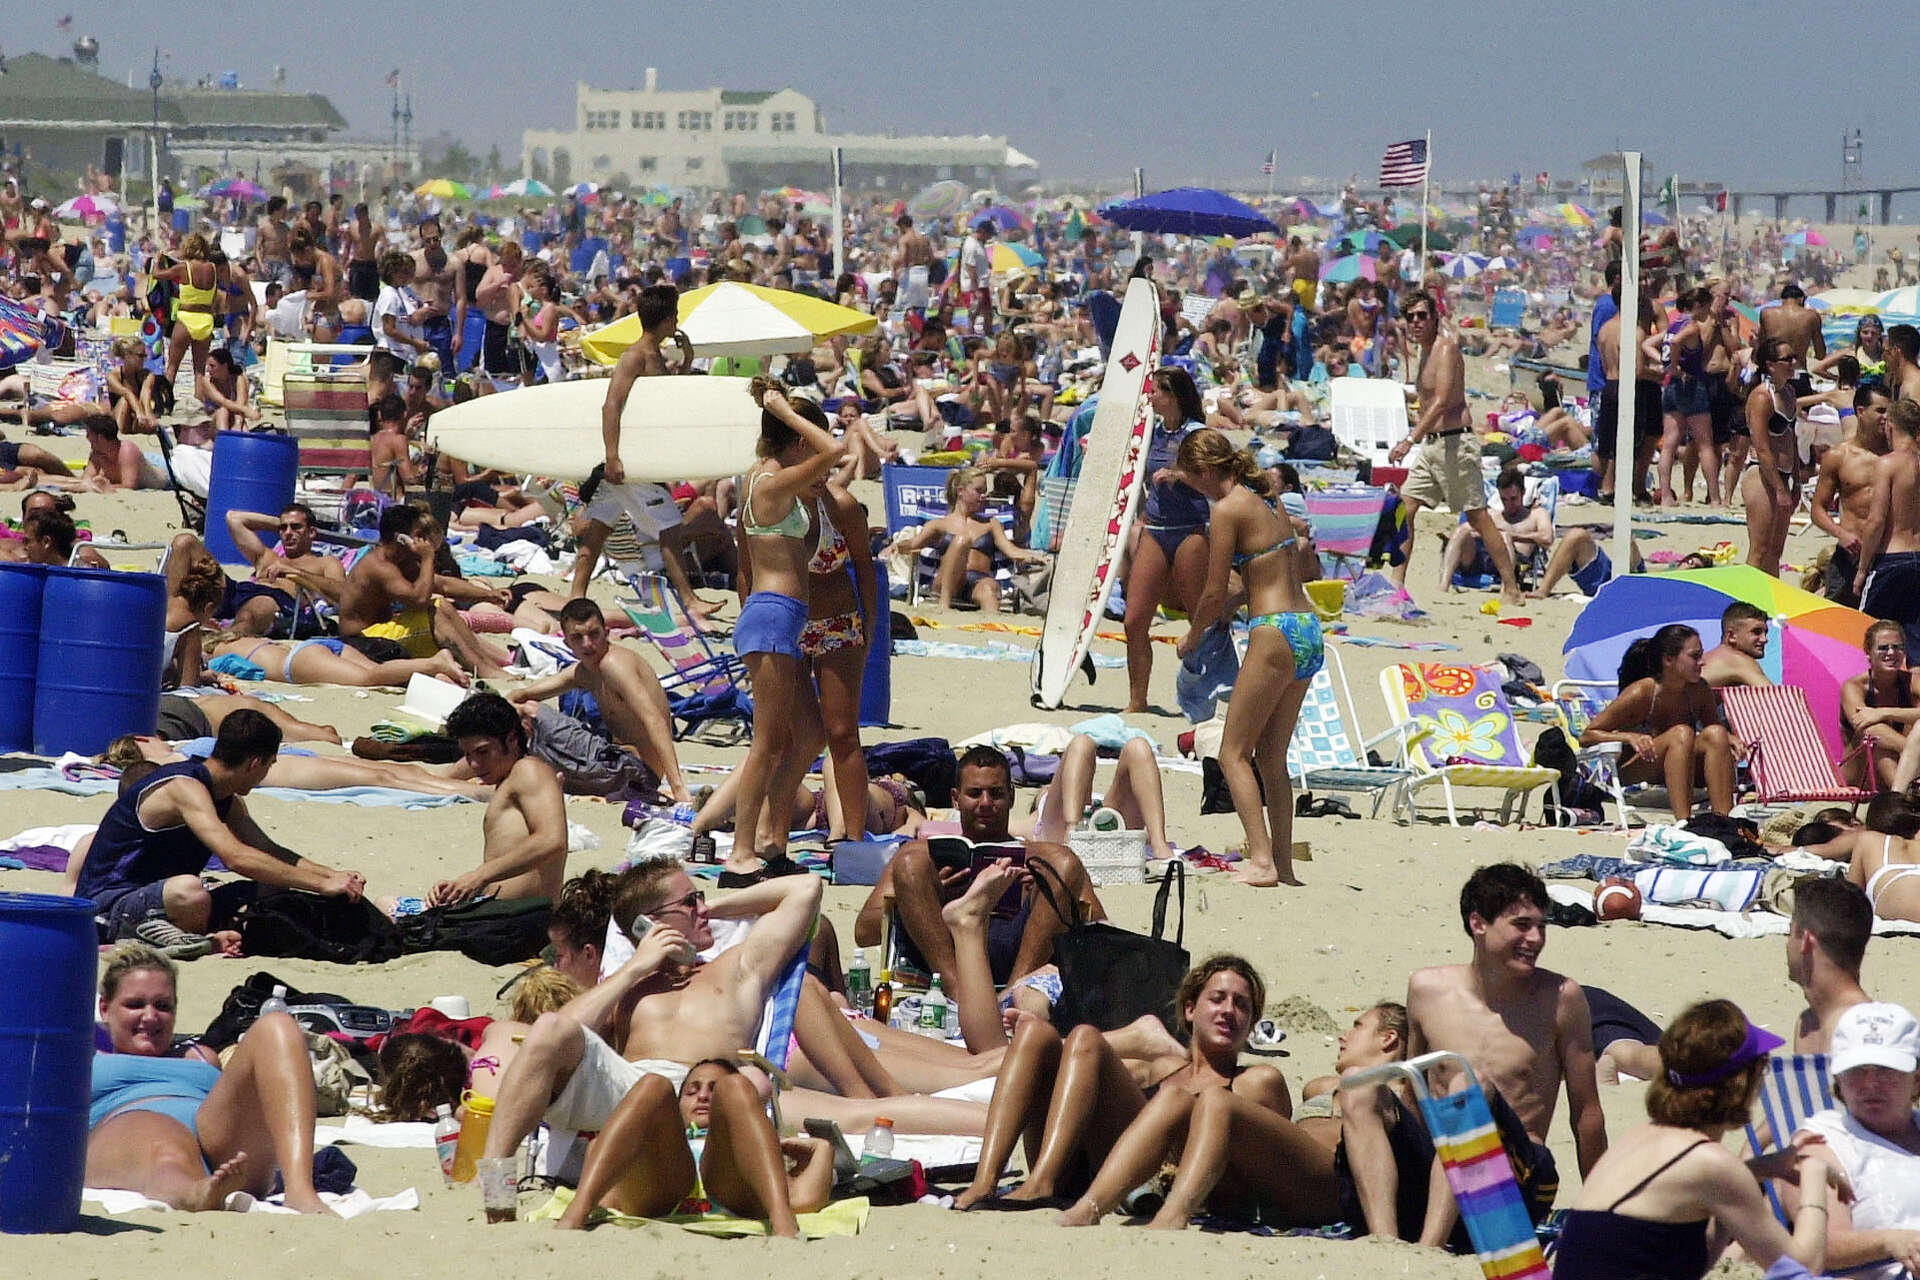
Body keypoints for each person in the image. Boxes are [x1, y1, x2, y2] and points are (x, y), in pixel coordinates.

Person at [1342, 865, 1607, 1246]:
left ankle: (1428, 1250)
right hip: (1438, 1168)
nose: (1535, 938)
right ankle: (1385, 1243)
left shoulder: (1562, 998)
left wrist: (1602, 1211)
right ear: (1478, 923)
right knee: (1359, 1088)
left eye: (1541, 926)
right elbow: (1414, 1090)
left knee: (1469, 1081)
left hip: (1515, 1178)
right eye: (1521, 925)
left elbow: (1586, 1111)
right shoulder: (1427, 988)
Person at [953, 955, 1280, 1213]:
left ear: (1251, 1023)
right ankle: (985, 1180)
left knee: (1086, 1037)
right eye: (1218, 998)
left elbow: (1266, 1164)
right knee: (1035, 1034)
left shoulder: (1253, 1083)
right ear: (1190, 1009)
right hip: (1084, 1163)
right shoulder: (1158, 1068)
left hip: (1148, 1181)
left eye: (1242, 1005)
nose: (1228, 1011)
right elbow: (1076, 1069)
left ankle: (1041, 1182)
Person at [1550, 999, 1837, 1279]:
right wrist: (1813, 1173)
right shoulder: (1709, 1163)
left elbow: (1690, 1261)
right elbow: (1804, 1266)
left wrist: (1754, 1171)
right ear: (1741, 1084)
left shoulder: (1644, 1137)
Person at [854, 746, 1104, 1050]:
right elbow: (865, 932)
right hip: (943, 969)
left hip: (1022, 962)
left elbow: (1100, 928)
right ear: (955, 799)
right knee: (912, 862)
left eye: (996, 793)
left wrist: (1043, 893)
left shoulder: (1043, 858)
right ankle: (960, 994)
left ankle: (1010, 993)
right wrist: (930, 896)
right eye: (975, 793)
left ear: (1012, 796)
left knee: (1061, 862)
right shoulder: (922, 856)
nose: (986, 803)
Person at [71, 710, 368, 956]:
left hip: (164, 899)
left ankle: (189, 935)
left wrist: (332, 876)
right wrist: (321, 886)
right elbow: (235, 857)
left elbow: (266, 849)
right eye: (269, 765)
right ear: (255, 763)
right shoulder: (184, 787)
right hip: (112, 907)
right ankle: (159, 937)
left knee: (275, 887)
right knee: (190, 891)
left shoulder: (224, 795)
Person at [86, 944, 335, 1214]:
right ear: (105, 1008)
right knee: (165, 1142)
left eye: (163, 1006)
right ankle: (192, 1193)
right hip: (125, 1126)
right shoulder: (84, 1057)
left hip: (217, 1139)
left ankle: (299, 1190)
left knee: (277, 1024)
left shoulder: (201, 1056)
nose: (150, 1016)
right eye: (135, 1004)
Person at [1173, 429, 1316, 887]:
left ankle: (1261, 861)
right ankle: (1283, 865)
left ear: (1206, 472)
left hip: (1273, 631)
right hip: (1308, 629)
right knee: (1273, 757)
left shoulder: (1228, 508)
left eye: (1194, 482)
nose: (1197, 491)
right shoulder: (1267, 498)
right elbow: (1267, 571)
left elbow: (1217, 589)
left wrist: (1192, 636)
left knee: (1234, 752)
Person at [720, 381, 845, 882]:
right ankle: (740, 853)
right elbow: (834, 451)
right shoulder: (767, 484)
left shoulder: (768, 480)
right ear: (797, 442)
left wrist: (778, 411)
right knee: (767, 743)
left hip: (782, 617)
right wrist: (779, 409)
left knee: (810, 733)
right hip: (773, 616)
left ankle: (773, 838)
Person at [554, 1057, 833, 1236]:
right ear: (677, 1105)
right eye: (691, 1090)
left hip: (728, 1187)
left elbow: (805, 1199)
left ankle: (781, 1222)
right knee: (653, 1084)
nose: (702, 1096)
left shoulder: (755, 1147)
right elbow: (612, 1193)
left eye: (714, 1091)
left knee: (735, 1084)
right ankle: (577, 1212)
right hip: (664, 1187)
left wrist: (823, 1149)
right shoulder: (663, 1139)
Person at [1388, 290, 1521, 603]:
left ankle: (1512, 588)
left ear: (1435, 317)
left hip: (1455, 444)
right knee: (1404, 509)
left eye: (1422, 315)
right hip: (1433, 448)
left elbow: (1443, 401)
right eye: (1411, 317)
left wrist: (1409, 440)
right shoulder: (1423, 353)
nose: (1417, 322)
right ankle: (1397, 585)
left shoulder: (1445, 348)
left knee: (1477, 516)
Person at [506, 597, 691, 806]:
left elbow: (654, 720)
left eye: (594, 634)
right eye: (578, 637)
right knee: (524, 729)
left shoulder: (614, 664)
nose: (588, 644)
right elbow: (522, 694)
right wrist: (509, 704)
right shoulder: (584, 671)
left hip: (637, 772)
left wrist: (678, 787)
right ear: (566, 642)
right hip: (616, 767)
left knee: (532, 713)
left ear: (607, 632)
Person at [1789, 1001, 1920, 1278]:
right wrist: (1892, 1241)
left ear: (1917, 1079)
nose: (1870, 1084)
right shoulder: (1821, 1143)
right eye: (1857, 1070)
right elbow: (1822, 1245)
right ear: (1838, 1077)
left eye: (1887, 1071)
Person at [413, 693, 566, 910]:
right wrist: (459, 887)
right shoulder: (510, 779)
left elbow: (551, 840)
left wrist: (479, 876)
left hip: (520, 919)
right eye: (468, 755)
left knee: (385, 908)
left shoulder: (529, 770)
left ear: (512, 739)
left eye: (483, 752)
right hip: (499, 911)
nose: (474, 764)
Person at [1581, 624, 1739, 820]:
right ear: (1668, 659)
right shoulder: (1642, 692)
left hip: (1684, 768)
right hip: (1640, 769)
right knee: (1682, 733)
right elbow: (1587, 736)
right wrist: (1629, 736)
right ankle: (1684, 822)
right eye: (1694, 656)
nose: (1702, 662)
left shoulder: (1699, 690)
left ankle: (1725, 821)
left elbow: (1711, 730)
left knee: (1716, 733)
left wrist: (1729, 738)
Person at [1124, 367, 1212, 712]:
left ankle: (1206, 694)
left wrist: (1180, 475)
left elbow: (1215, 480)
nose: (1150, 397)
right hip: (1156, 529)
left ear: (1173, 395)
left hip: (1190, 529)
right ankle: (1137, 700)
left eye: (1156, 391)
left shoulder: (1198, 434)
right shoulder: (1151, 433)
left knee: (1198, 618)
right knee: (1134, 620)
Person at [337, 503, 510, 678]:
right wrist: (428, 558)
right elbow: (418, 600)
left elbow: (442, 584)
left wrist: (489, 595)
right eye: (418, 535)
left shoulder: (400, 560)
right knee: (434, 615)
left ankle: (487, 665)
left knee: (441, 605)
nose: (424, 541)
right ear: (401, 538)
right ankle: (484, 670)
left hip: (379, 634)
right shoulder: (379, 565)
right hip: (362, 642)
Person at [898, 466, 1043, 613]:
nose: (983, 496)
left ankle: (992, 625)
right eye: (978, 491)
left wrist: (1036, 557)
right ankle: (944, 605)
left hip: (978, 582)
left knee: (988, 589)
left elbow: (1010, 549)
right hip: (947, 583)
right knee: (962, 540)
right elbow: (912, 545)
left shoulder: (991, 523)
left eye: (985, 492)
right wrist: (895, 545)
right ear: (960, 491)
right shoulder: (939, 524)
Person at [1810, 384, 1893, 606]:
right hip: (1850, 553)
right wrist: (1840, 534)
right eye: (1880, 411)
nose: (1886, 417)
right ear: (1860, 411)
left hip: (1887, 554)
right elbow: (1817, 510)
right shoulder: (1839, 456)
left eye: (1890, 411)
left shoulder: (1898, 456)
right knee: (1836, 622)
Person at [212, 504, 346, 638]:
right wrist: (281, 524)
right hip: (240, 590)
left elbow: (343, 595)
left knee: (249, 615)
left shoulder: (325, 562)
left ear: (311, 532)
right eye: (283, 528)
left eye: (295, 527)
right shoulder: (267, 556)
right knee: (191, 544)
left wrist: (295, 573)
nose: (288, 533)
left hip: (274, 598)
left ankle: (220, 643)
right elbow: (234, 518)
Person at [1857, 400, 1920, 660]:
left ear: (1890, 426)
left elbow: (1876, 520)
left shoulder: (1888, 464)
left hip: (1892, 559)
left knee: (1865, 633)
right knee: (1915, 647)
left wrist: (1862, 569)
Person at [1787, 876, 1875, 1053]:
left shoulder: (1867, 1032)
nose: (1787, 944)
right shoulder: (1809, 1023)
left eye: (1789, 932)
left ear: (1805, 941)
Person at [1439, 465, 1554, 594]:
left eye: (1513, 499)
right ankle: (1443, 586)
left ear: (1523, 492)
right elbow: (1466, 528)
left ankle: (1507, 589)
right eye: (1504, 499)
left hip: (1516, 564)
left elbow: (1547, 538)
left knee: (1504, 537)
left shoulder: (1537, 514)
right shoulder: (1494, 514)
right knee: (1462, 531)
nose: (1509, 504)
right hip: (1483, 560)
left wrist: (1510, 535)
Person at [1657, 288, 1724, 507]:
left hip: (1672, 387)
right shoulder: (1690, 326)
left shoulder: (1673, 324)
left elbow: (1649, 344)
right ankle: (1715, 498)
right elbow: (1676, 343)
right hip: (1691, 384)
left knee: (1669, 443)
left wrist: (1667, 366)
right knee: (1705, 443)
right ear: (1699, 305)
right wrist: (1675, 365)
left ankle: (1666, 495)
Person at [1743, 337, 1803, 577]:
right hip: (1761, 474)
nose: (1793, 362)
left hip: (1784, 474)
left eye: (1793, 357)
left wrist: (1796, 480)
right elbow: (1762, 446)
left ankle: (1768, 603)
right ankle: (1747, 604)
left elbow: (1791, 439)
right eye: (1786, 359)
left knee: (1776, 551)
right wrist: (1779, 488)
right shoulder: (1761, 398)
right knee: (1759, 548)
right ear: (1770, 364)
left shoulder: (1788, 392)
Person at [1841, 619, 1920, 789]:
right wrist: (1912, 750)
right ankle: (1903, 797)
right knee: (1872, 736)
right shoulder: (1854, 686)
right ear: (1868, 652)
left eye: (1898, 647)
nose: (1892, 653)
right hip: (1860, 776)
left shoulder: (1911, 682)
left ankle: (1900, 794)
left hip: (1901, 768)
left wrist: (1884, 712)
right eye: (1883, 648)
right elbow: (1864, 725)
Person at [153, 234, 218, 388]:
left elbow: (157, 275)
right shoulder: (212, 268)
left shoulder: (184, 267)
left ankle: (167, 403)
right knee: (200, 371)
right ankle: (200, 404)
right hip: (206, 319)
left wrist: (158, 260)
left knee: (172, 367)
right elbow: (214, 297)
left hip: (186, 318)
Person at [1700, 601, 1772, 688]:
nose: (1765, 639)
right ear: (1731, 636)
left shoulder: (1704, 659)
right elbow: (1773, 696)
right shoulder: (1738, 660)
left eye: (1765, 633)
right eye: (1756, 632)